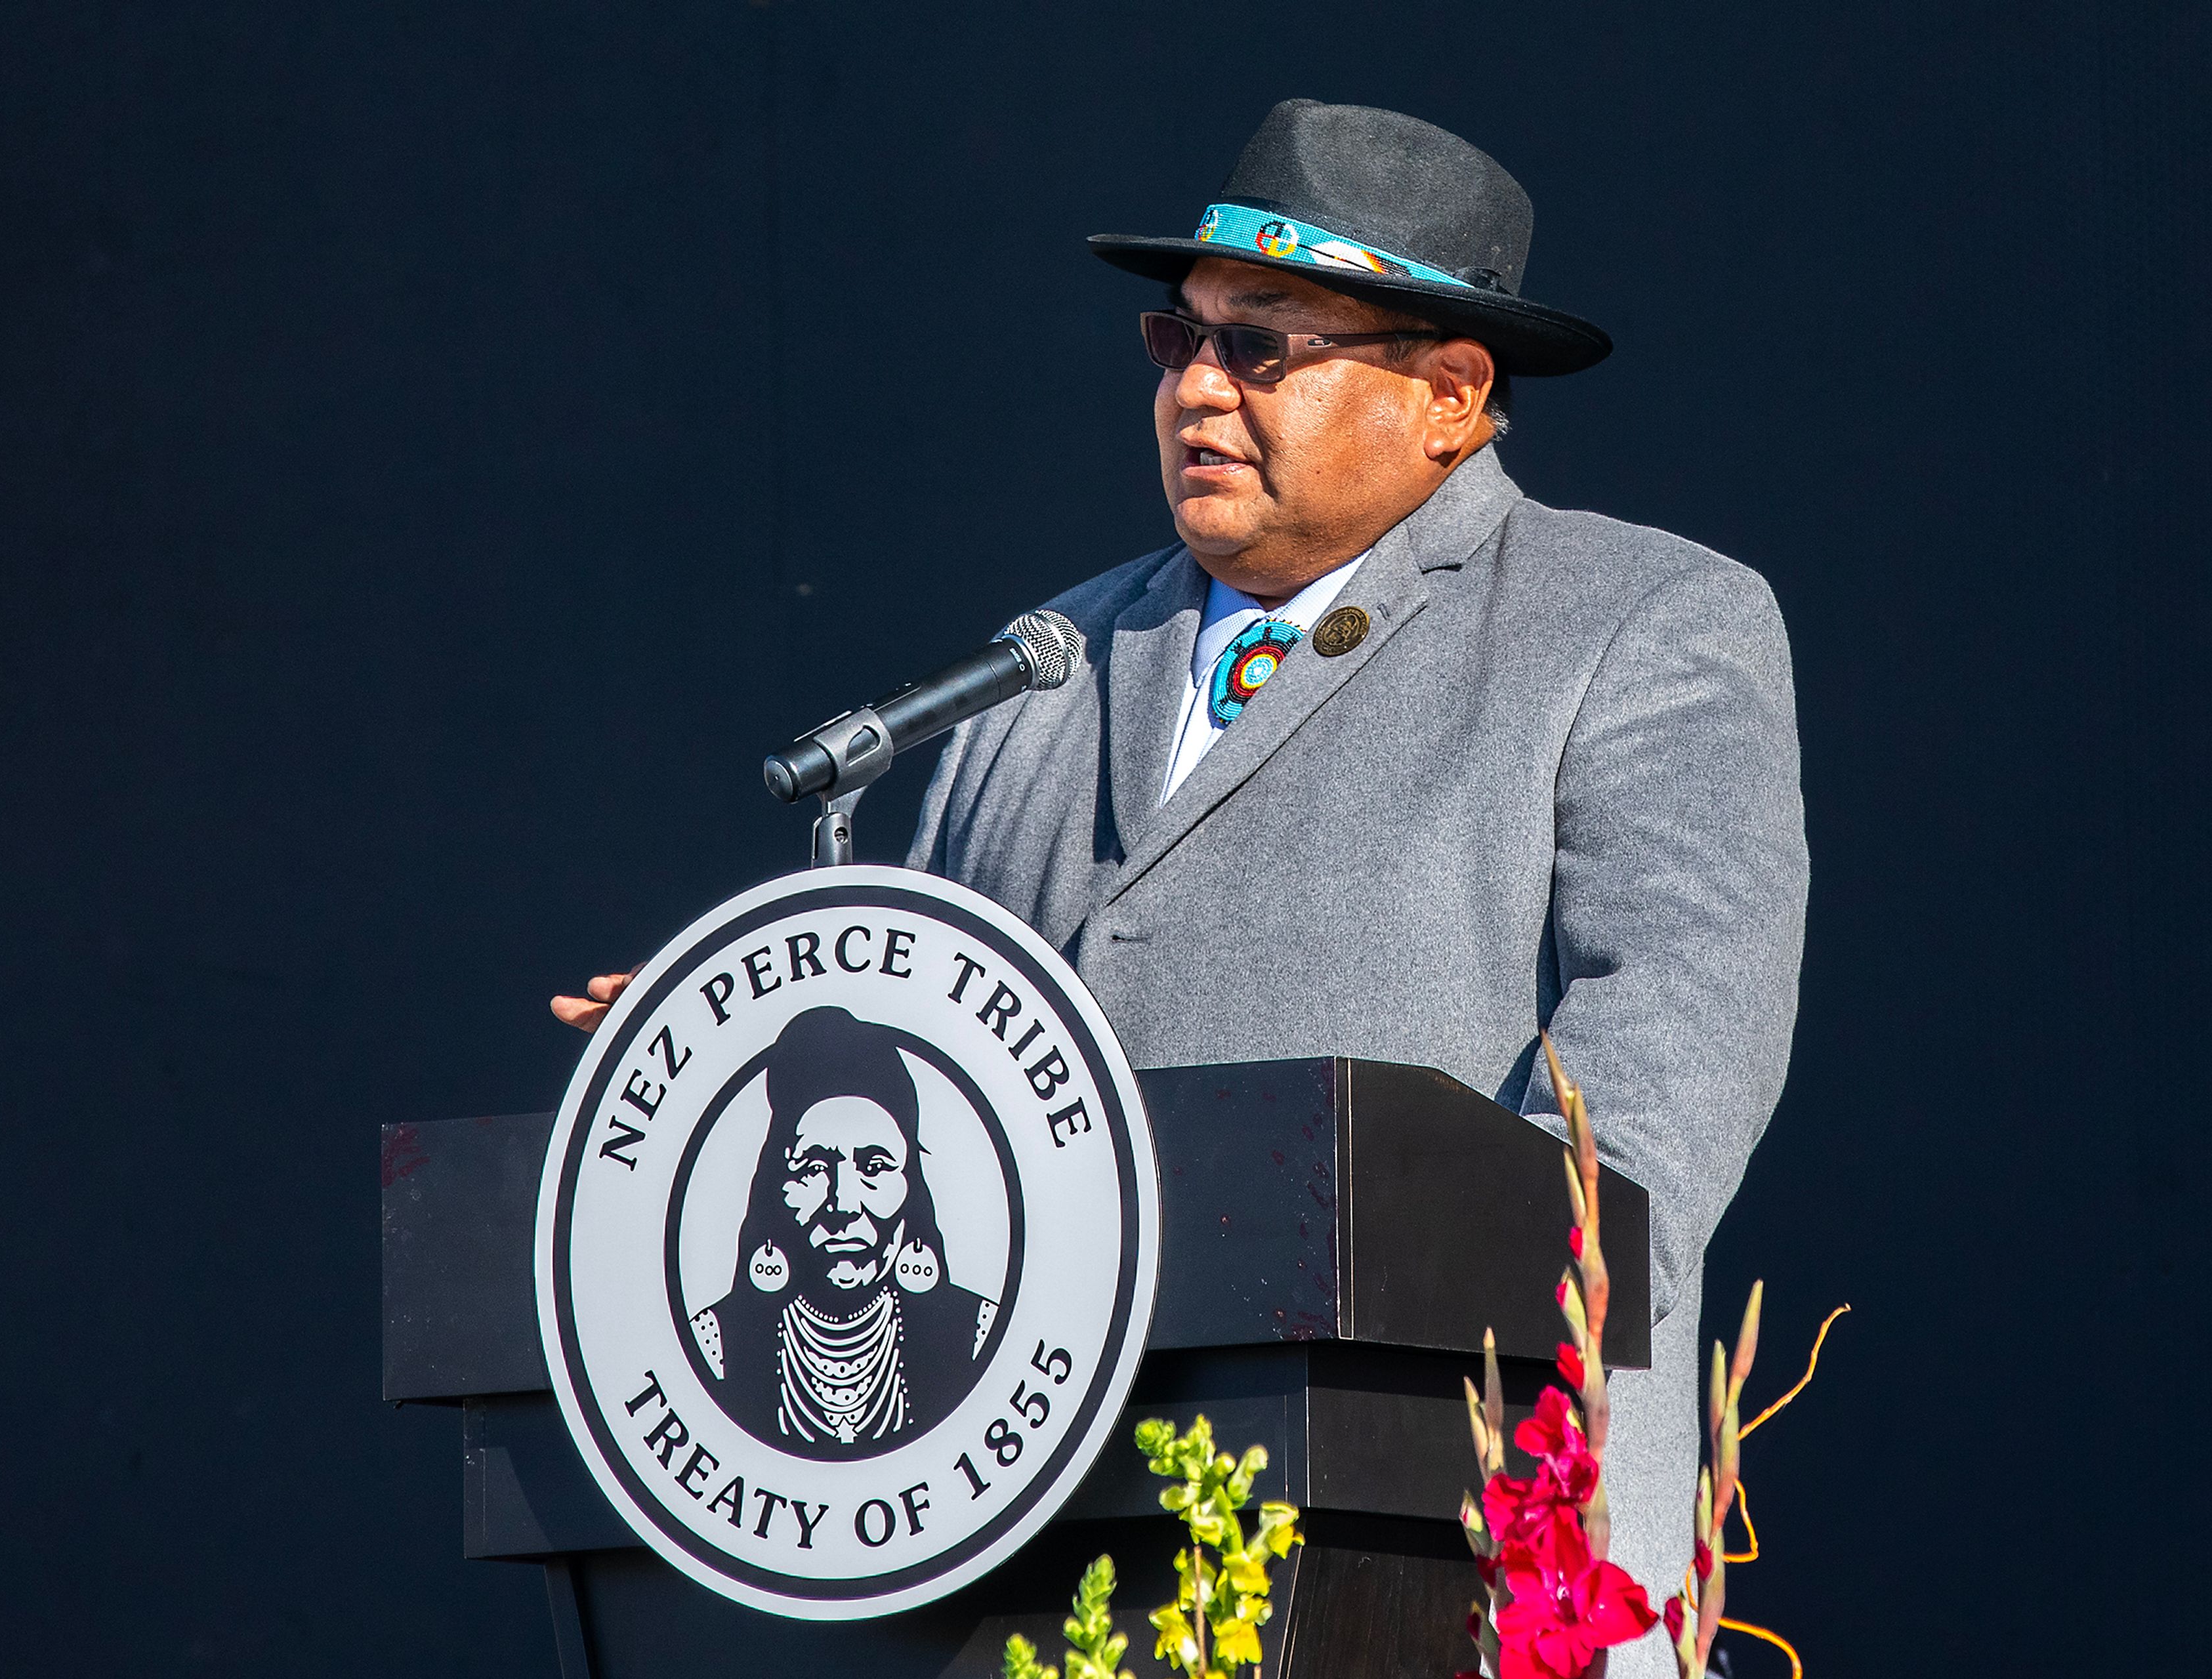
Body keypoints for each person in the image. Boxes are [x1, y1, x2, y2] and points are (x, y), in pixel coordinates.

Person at [563, 100, 1806, 1672]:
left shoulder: (1636, 622)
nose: (1197, 390)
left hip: (1452, 1546)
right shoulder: (1040, 664)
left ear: (1448, 393)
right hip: (1045, 1557)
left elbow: (1668, 1062)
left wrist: (1453, 1302)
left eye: (1264, 348)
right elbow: (949, 1068)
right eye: (1178, 340)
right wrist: (746, 1059)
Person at [686, 1006, 997, 1456]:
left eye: (874, 1166)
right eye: (814, 1168)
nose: (844, 1204)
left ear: (912, 1184)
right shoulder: (712, 1345)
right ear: (778, 1185)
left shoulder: (980, 1336)